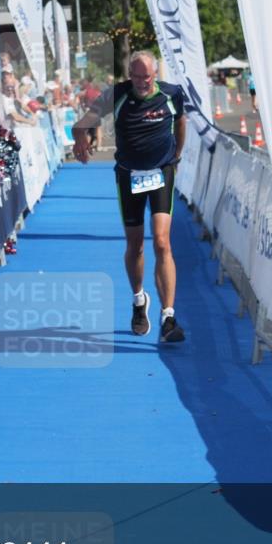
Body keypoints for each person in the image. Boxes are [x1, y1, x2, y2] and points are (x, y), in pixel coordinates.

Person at [71, 50, 187, 344]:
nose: (140, 82)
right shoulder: (118, 94)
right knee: (135, 244)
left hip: (161, 172)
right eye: (135, 76)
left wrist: (177, 153)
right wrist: (80, 138)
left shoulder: (172, 94)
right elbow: (85, 121)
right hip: (129, 175)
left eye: (145, 77)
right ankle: (139, 301)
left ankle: (168, 316)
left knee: (162, 241)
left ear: (155, 74)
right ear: (129, 75)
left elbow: (181, 122)